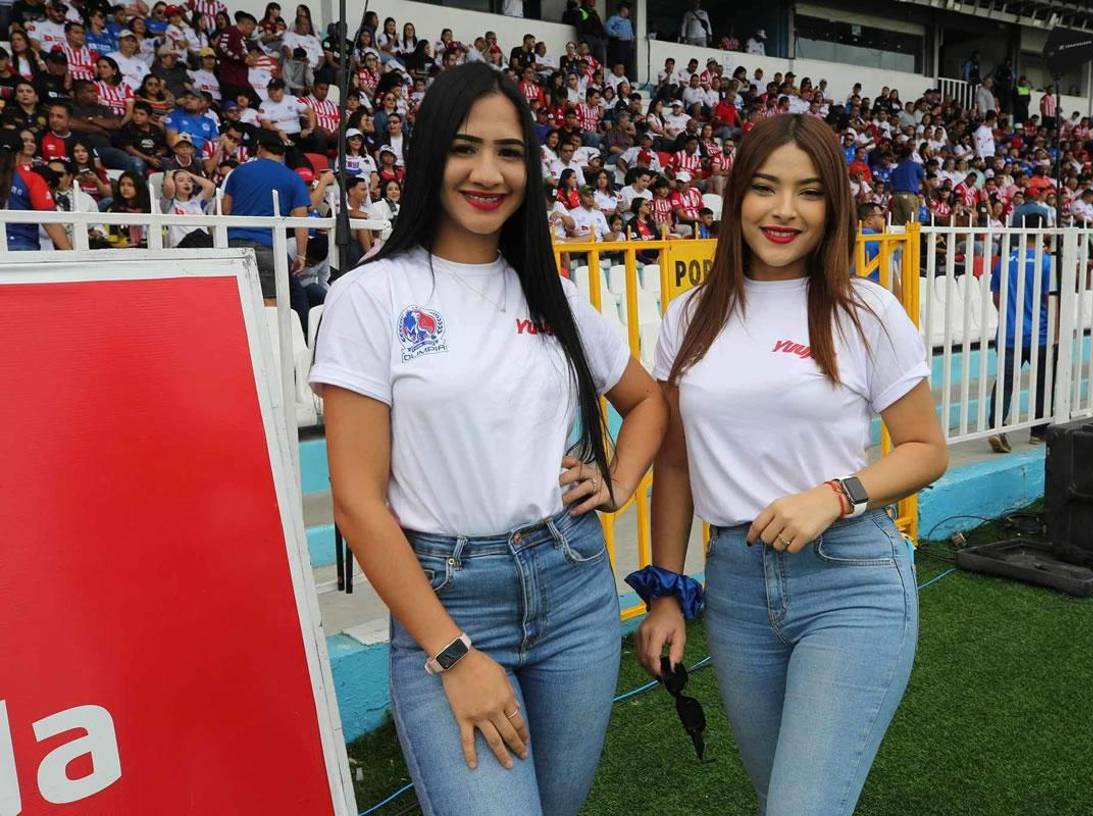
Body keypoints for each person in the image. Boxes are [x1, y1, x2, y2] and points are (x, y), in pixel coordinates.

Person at [308, 63, 666, 816]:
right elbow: (358, 502)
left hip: (574, 587)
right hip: (451, 599)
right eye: (464, 147)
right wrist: (451, 653)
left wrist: (619, 481)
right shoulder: (370, 296)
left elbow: (648, 403)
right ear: (429, 155)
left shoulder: (550, 292)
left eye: (509, 152)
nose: (487, 172)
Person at [634, 113, 947, 816]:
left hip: (850, 580)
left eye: (807, 192)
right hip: (737, 591)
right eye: (765, 189)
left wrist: (836, 495)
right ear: (735, 195)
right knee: (782, 797)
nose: (783, 211)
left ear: (832, 205)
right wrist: (666, 592)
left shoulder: (867, 311)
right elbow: (676, 467)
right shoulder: (688, 316)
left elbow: (927, 449)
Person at [221, 132, 312, 327]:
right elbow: (301, 221)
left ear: (260, 149)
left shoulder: (239, 172)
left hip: (233, 243)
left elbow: (225, 210)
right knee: (270, 303)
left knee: (235, 303)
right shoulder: (293, 178)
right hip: (268, 247)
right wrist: (301, 255)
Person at [986, 214, 1054, 453]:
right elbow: (1050, 300)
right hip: (1040, 334)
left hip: (1009, 333)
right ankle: (1039, 431)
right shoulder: (1047, 262)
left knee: (1005, 382)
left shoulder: (1005, 261)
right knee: (1043, 383)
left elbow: (997, 297)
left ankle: (996, 427)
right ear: (1043, 230)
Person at [0, 129, 71, 250]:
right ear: (20, 153)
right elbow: (50, 221)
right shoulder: (31, 179)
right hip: (21, 248)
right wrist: (72, 255)